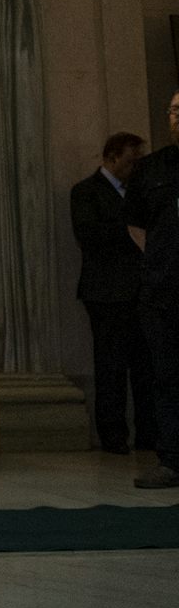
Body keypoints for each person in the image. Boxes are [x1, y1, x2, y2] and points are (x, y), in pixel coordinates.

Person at [70, 131, 152, 453]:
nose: (135, 169)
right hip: (105, 293)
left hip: (140, 291)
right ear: (113, 157)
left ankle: (149, 434)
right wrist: (128, 230)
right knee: (111, 367)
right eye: (131, 162)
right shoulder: (86, 192)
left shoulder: (139, 193)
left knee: (146, 368)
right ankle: (113, 435)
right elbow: (87, 233)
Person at [124, 90, 179, 490]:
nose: (177, 118)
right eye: (174, 110)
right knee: (166, 375)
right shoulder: (153, 168)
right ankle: (172, 459)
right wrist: (163, 260)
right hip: (163, 291)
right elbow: (135, 224)